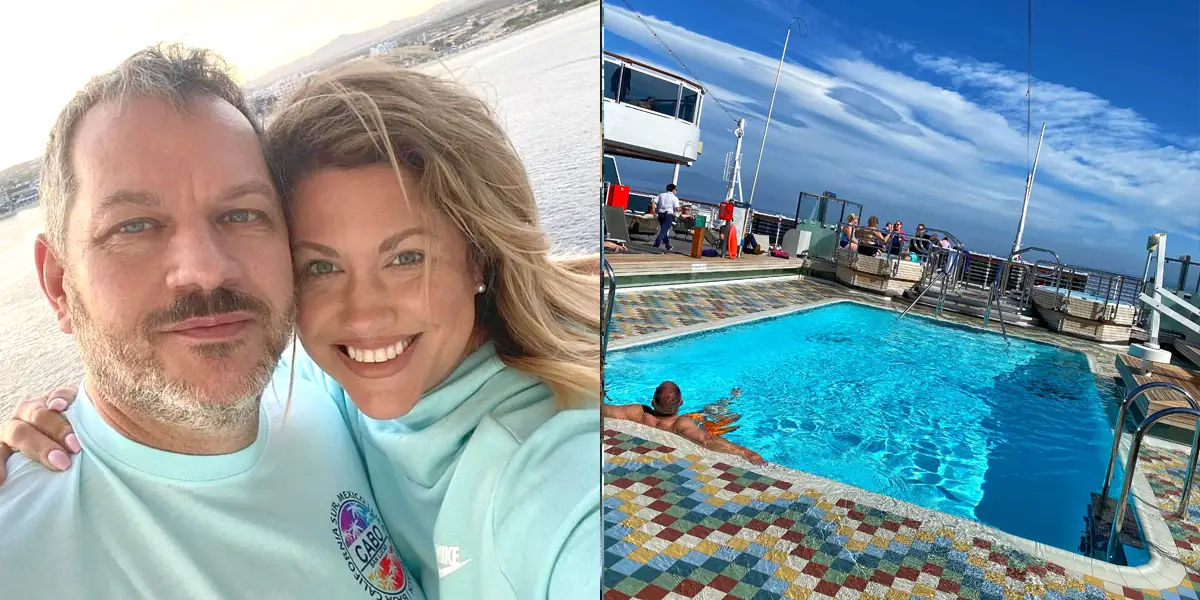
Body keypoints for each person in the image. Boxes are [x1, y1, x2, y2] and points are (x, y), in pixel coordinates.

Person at [1, 46, 601, 600]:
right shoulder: (24, 545)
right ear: (58, 282)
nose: (205, 271)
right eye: (133, 226)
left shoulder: (322, 395)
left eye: (240, 213)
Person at [602, 382, 766, 466]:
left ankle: (730, 399)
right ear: (681, 403)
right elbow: (706, 440)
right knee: (718, 414)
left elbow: (606, 409)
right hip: (699, 422)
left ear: (652, 402)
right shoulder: (680, 424)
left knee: (708, 411)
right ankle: (731, 398)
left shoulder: (639, 412)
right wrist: (744, 451)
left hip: (682, 418)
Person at [651, 183, 681, 251]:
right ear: (673, 190)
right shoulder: (674, 198)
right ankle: (656, 245)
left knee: (664, 230)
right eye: (676, 189)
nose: (676, 191)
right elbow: (677, 208)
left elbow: (653, 202)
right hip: (668, 215)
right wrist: (681, 209)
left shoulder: (661, 195)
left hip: (660, 214)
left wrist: (653, 210)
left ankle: (668, 246)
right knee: (663, 231)